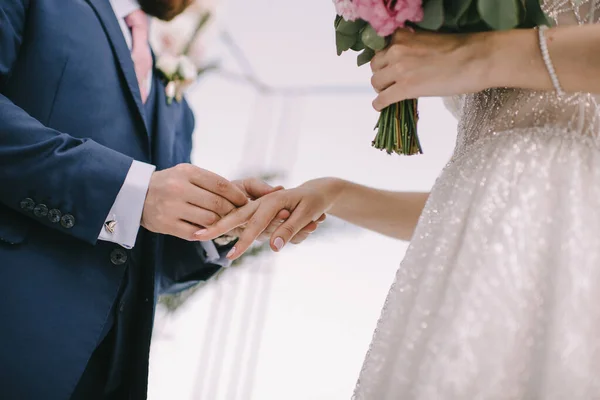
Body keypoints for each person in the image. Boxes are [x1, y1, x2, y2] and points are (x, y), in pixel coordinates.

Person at [196, 1, 600, 398]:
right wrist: (333, 193)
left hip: (577, 230)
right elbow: (478, 195)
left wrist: (479, 57)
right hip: (460, 263)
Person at [0, 1, 316, 399]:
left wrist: (222, 223)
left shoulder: (178, 107)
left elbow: (146, 255)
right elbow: (136, 198)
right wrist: (130, 192)